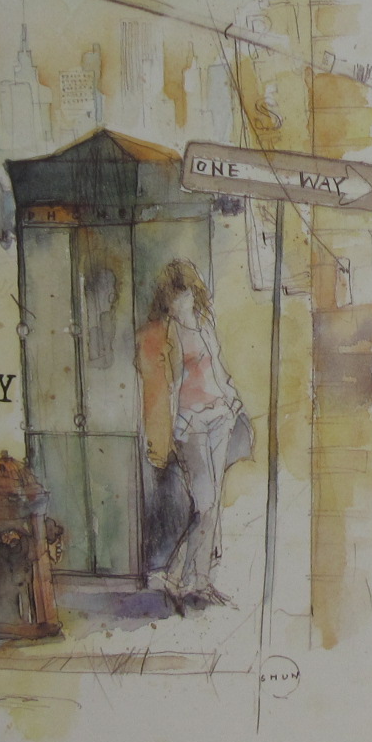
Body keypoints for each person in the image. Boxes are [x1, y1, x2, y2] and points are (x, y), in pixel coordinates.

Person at [137, 260, 250, 612]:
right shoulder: (167, 334)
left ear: (193, 292)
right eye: (172, 297)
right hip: (191, 426)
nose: (178, 302)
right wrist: (172, 425)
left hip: (220, 418)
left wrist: (232, 398)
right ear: (165, 299)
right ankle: (183, 578)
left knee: (211, 504)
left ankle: (193, 580)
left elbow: (217, 366)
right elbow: (164, 385)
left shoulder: (204, 322)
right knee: (204, 504)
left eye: (183, 294)